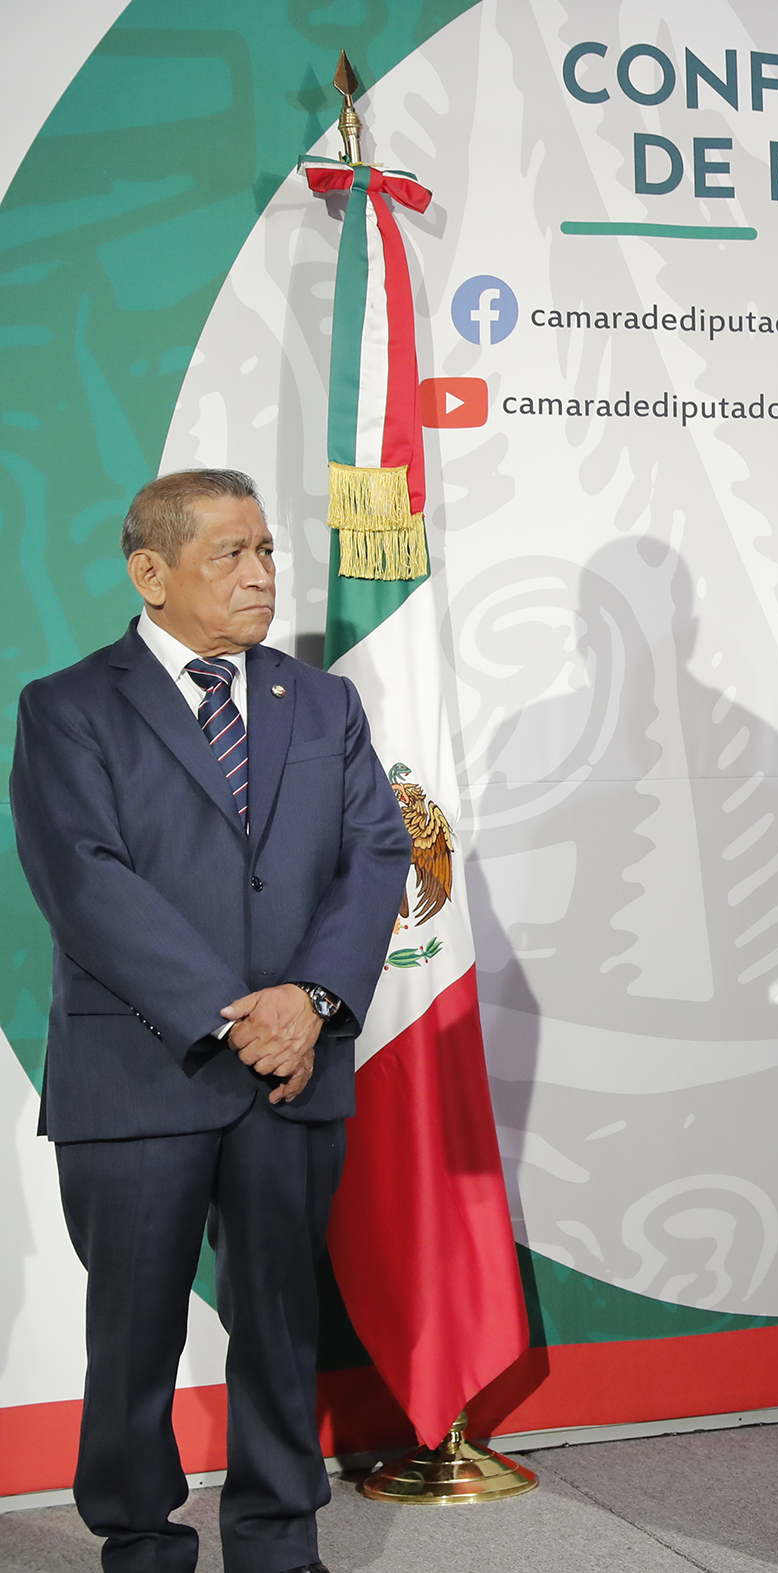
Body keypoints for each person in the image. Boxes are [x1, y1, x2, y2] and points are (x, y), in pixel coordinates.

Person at [11, 469, 411, 1573]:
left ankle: (279, 1542)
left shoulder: (321, 702)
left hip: (294, 1067)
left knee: (279, 1327)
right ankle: (141, 1541)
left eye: (267, 549)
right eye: (231, 553)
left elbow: (377, 851)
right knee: (133, 1334)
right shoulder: (67, 705)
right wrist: (236, 1019)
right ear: (151, 572)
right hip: (142, 1074)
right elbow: (85, 879)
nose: (261, 574)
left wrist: (311, 1001)